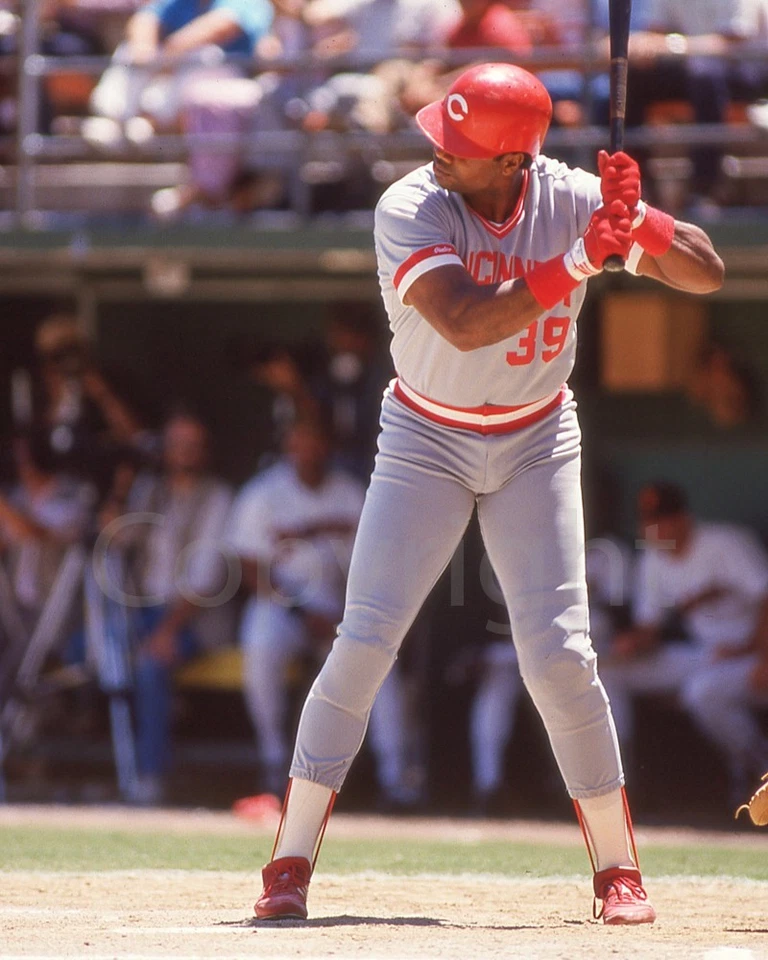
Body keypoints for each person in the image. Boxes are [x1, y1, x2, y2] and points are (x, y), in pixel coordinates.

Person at [253, 62, 723, 925]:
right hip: (424, 436)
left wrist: (640, 219)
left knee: (560, 655)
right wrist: (583, 256)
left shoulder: (567, 196)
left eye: (461, 146)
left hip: (538, 436)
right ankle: (288, 860)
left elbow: (705, 271)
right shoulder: (408, 204)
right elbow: (465, 320)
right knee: (365, 640)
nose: (438, 149)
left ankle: (619, 870)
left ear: (511, 162)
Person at [226, 417, 417, 807]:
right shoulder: (263, 493)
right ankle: (273, 758)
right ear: (288, 446)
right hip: (284, 605)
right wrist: (301, 613)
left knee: (382, 665)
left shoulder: (349, 493)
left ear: (329, 447)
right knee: (260, 644)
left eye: (317, 441)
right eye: (301, 441)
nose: (309, 450)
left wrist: (345, 615)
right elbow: (248, 568)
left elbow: (377, 567)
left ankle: (395, 778)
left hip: (341, 606)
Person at [599, 481, 768, 808]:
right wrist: (633, 643)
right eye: (648, 520)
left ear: (683, 519)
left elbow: (766, 598)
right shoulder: (652, 559)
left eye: (663, 518)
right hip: (710, 655)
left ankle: (761, 773)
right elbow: (651, 627)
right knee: (609, 674)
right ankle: (617, 789)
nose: (655, 527)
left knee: (700, 692)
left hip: (753, 655)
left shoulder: (725, 542)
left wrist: (763, 656)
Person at [96, 411, 235, 805]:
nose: (184, 453)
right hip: (143, 610)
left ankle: (150, 777)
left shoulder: (218, 496)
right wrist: (120, 489)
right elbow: (116, 538)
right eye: (177, 444)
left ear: (205, 451)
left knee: (151, 664)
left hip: (192, 617)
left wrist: (166, 630)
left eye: (193, 445)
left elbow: (205, 579)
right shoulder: (150, 489)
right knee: (90, 652)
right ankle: (105, 766)